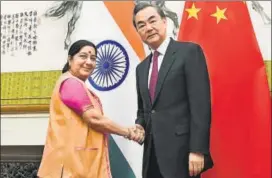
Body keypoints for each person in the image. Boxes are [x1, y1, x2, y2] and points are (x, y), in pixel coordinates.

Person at [130, 3, 214, 178]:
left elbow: (200, 105)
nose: (148, 27)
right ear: (138, 32)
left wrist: (198, 150)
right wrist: (139, 125)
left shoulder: (189, 52)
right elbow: (144, 110)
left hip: (182, 154)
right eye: (141, 25)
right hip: (151, 155)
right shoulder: (141, 68)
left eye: (152, 21)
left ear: (164, 21)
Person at [37, 40, 141, 178]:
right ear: (70, 59)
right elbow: (94, 118)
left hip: (75, 165)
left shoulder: (74, 83)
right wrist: (127, 132)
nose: (89, 62)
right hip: (70, 169)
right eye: (83, 56)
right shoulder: (71, 84)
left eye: (93, 58)